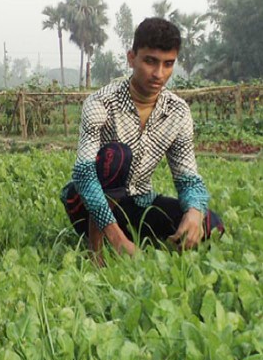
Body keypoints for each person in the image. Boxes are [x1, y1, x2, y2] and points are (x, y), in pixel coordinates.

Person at [60, 17, 223, 264]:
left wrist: (194, 212)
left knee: (211, 225)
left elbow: (187, 177)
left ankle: (144, 238)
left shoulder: (177, 112)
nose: (159, 74)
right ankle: (97, 248)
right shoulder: (100, 103)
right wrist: (117, 238)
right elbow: (83, 173)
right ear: (131, 58)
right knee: (118, 155)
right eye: (150, 61)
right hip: (86, 204)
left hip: (138, 203)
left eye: (168, 64)